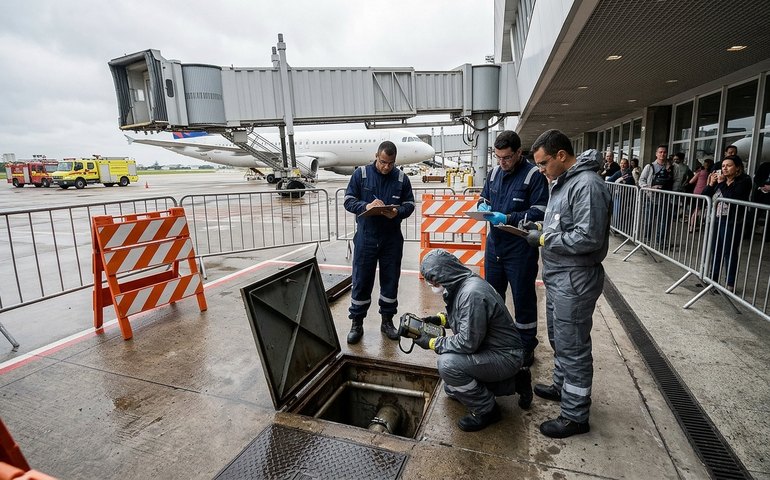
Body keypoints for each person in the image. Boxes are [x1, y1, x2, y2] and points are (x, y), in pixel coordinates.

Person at [520, 129, 611, 439]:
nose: (541, 171)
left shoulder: (586, 186)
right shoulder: (564, 183)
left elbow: (589, 237)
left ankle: (575, 415)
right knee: (560, 338)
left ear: (561, 155)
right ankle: (562, 386)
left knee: (573, 347)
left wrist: (545, 238)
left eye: (544, 164)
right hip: (559, 275)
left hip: (575, 277)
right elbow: (564, 224)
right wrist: (538, 226)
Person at [416, 249, 532, 432]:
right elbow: (466, 319)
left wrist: (433, 343)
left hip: (505, 355)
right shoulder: (464, 284)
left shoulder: (471, 294)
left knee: (448, 365)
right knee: (453, 389)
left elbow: (467, 343)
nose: (432, 285)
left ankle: (487, 410)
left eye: (434, 280)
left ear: (444, 275)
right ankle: (516, 382)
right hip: (494, 348)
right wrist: (440, 319)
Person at [477, 130, 549, 367]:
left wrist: (507, 217)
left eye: (506, 157)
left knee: (523, 298)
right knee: (492, 297)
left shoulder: (533, 176)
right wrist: (481, 205)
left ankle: (526, 346)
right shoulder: (495, 172)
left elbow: (539, 211)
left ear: (518, 152)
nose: (502, 162)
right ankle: (497, 340)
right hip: (495, 246)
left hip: (520, 249)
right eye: (498, 157)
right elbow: (485, 196)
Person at [343, 141, 415, 344]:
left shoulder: (401, 178)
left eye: (390, 163)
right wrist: (366, 205)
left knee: (390, 280)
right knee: (361, 280)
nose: (386, 167)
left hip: (391, 238)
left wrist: (397, 212)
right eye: (383, 162)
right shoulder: (361, 174)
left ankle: (387, 321)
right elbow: (348, 200)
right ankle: (357, 323)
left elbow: (409, 204)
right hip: (367, 236)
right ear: (376, 156)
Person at [702, 155, 752, 291]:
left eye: (728, 165)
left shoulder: (744, 180)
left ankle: (729, 283)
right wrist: (711, 183)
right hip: (716, 219)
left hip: (732, 220)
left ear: (737, 168)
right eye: (723, 166)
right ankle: (713, 280)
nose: (724, 168)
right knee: (716, 250)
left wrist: (722, 183)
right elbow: (704, 195)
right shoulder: (720, 180)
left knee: (729, 251)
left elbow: (733, 196)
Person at [638, 145, 673, 246]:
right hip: (650, 198)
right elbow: (641, 180)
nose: (662, 154)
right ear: (656, 154)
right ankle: (646, 240)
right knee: (648, 220)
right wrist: (650, 188)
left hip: (665, 199)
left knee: (663, 222)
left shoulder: (671, 167)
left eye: (664, 152)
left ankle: (660, 241)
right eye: (660, 152)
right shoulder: (649, 167)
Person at [688, 158, 713, 232]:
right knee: (699, 210)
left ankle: (691, 226)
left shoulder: (700, 172)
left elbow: (691, 181)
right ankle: (694, 226)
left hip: (696, 192)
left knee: (695, 210)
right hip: (704, 193)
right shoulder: (710, 174)